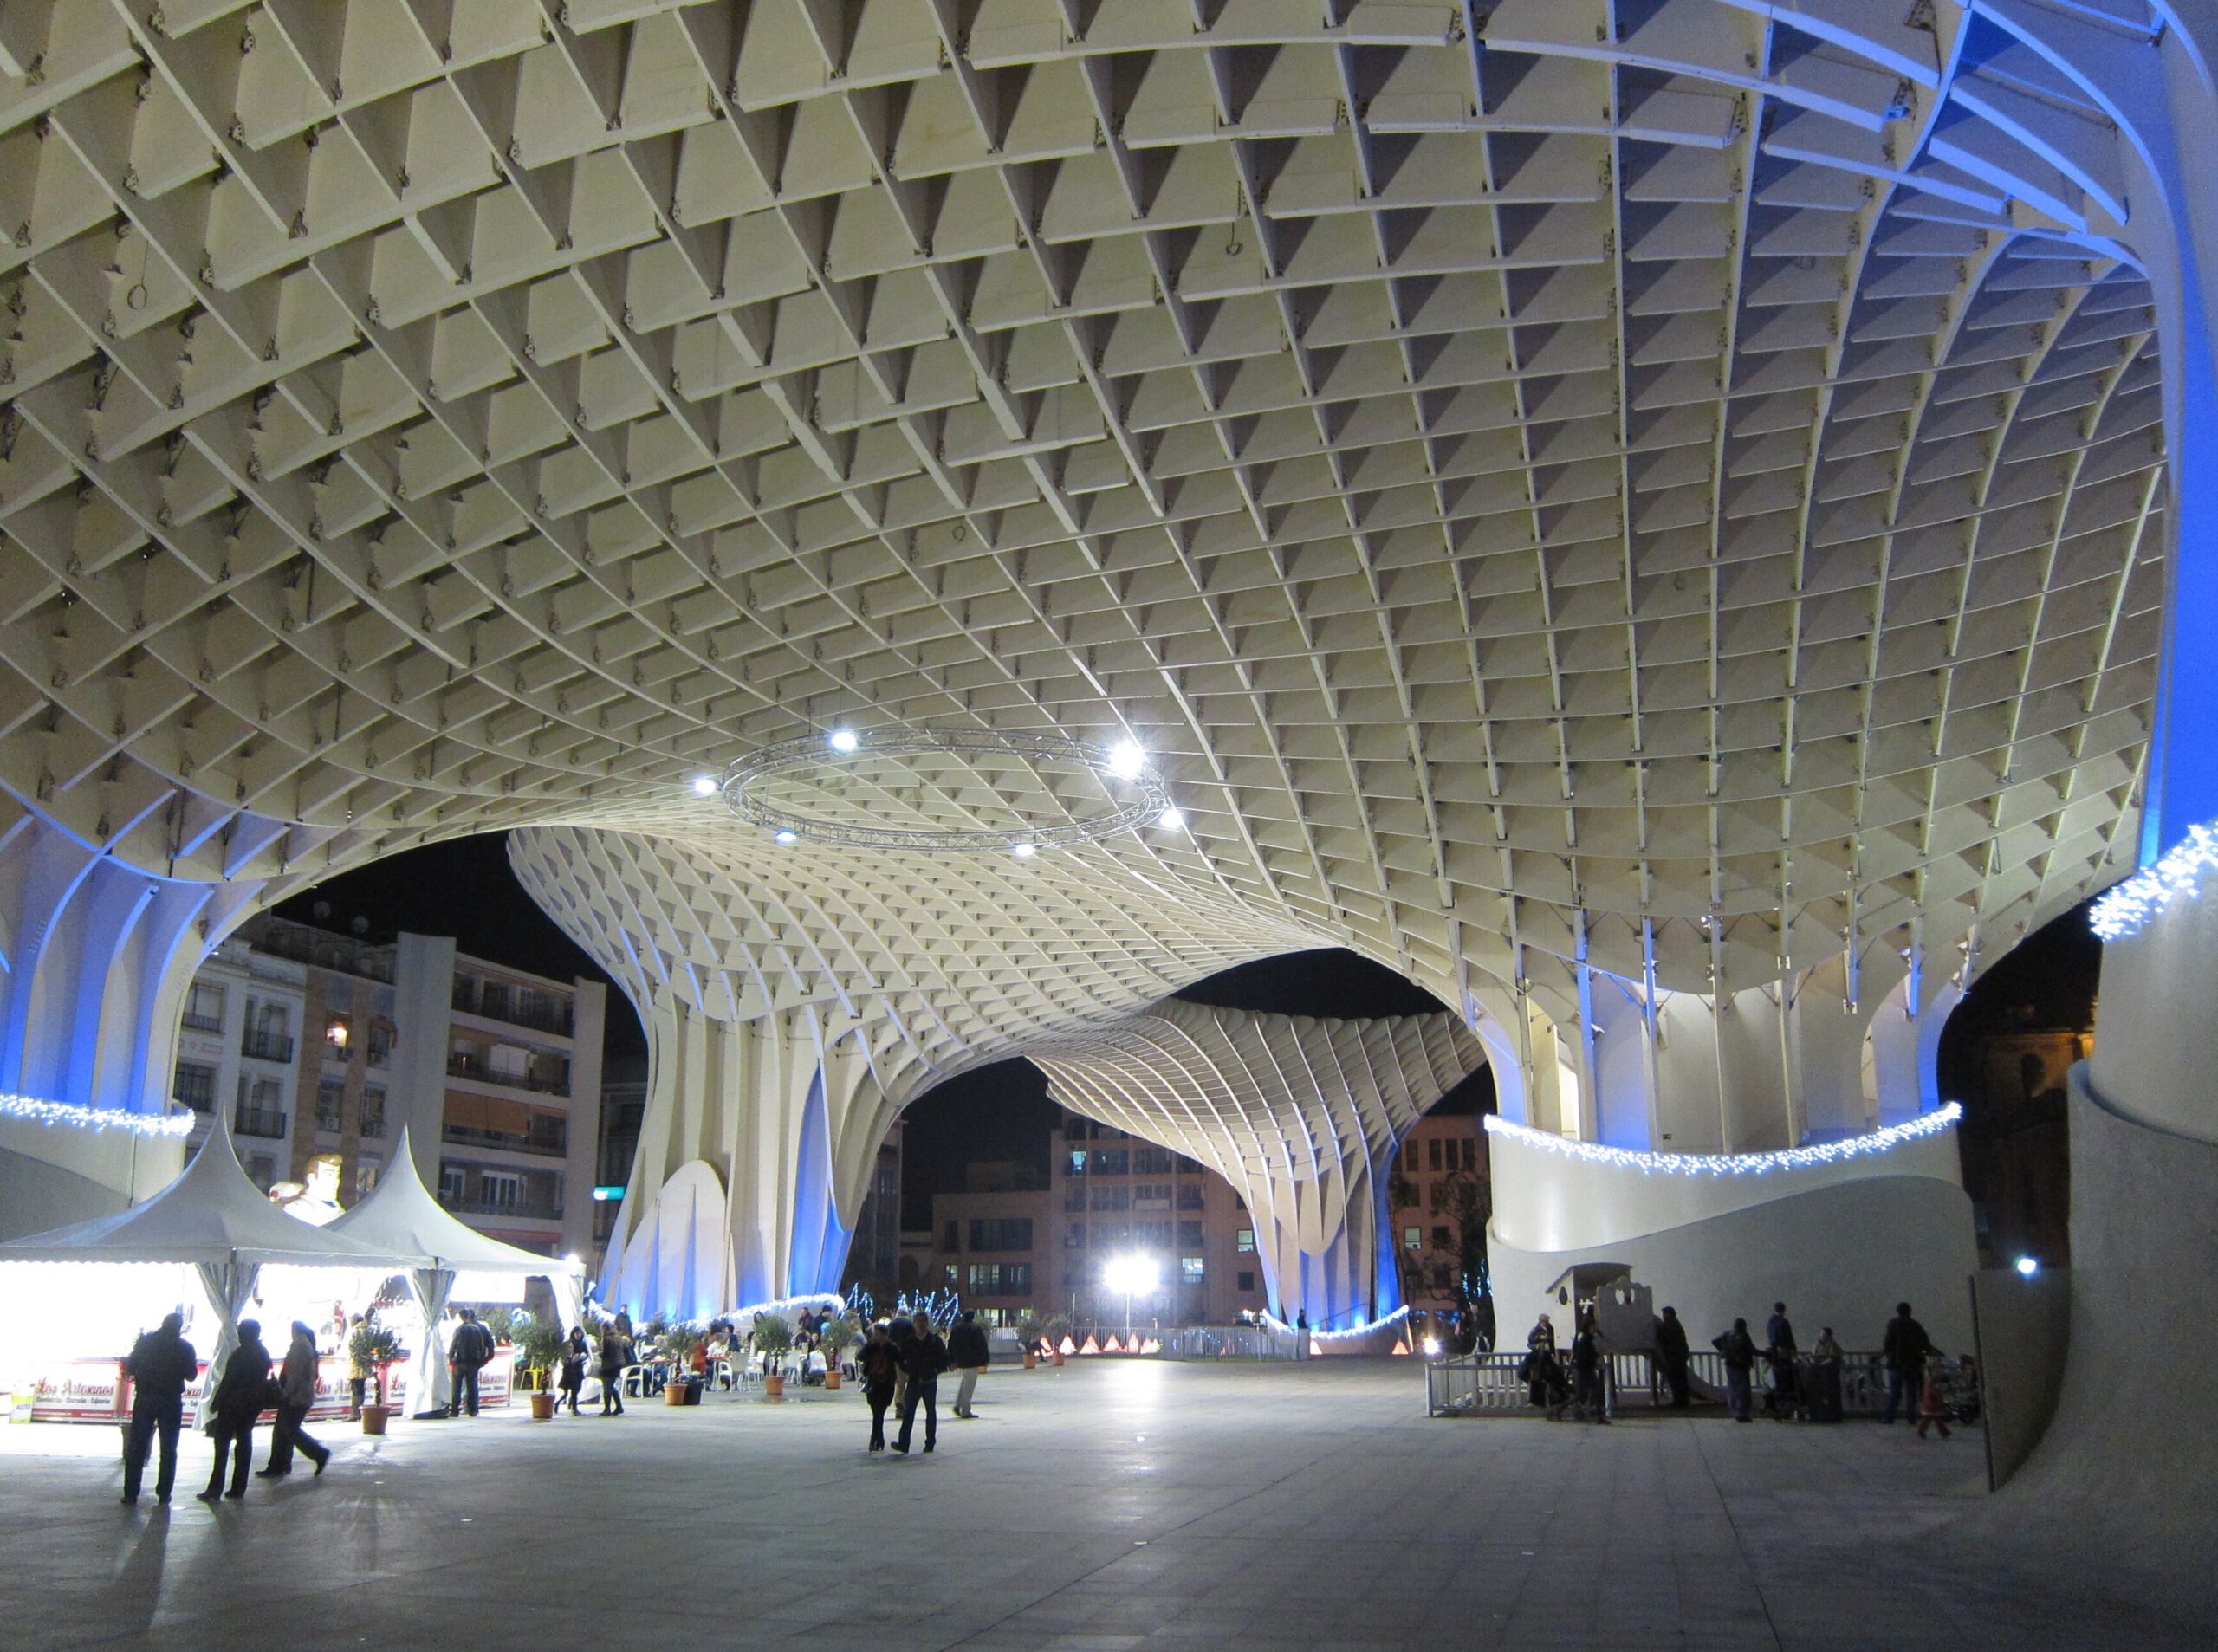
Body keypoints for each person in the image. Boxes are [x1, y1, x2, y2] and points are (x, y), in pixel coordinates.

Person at [121, 1312, 198, 1504]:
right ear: (179, 1327)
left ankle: (131, 1493)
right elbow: (191, 1375)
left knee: (137, 1445)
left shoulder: (146, 1342)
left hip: (146, 1397)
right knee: (169, 1448)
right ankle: (164, 1492)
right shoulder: (185, 1347)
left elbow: (131, 1367)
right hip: (171, 1400)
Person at [198, 1320, 272, 1501]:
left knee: (222, 1446)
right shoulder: (262, 1353)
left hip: (233, 1405)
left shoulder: (241, 1354)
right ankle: (239, 1487)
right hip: (252, 1405)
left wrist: (216, 1403)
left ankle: (215, 1488)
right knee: (244, 1444)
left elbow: (229, 1381)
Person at [260, 1320, 330, 1478]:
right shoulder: (306, 1346)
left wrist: (286, 1393)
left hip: (296, 1396)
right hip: (301, 1395)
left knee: (287, 1430)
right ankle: (281, 1464)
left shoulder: (299, 1347)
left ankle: (318, 1453)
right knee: (285, 1430)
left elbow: (295, 1374)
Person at [892, 1312, 947, 1454]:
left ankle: (930, 1443)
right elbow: (901, 1359)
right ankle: (903, 1443)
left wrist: (935, 1371)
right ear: (914, 1324)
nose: (921, 1325)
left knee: (930, 1413)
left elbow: (944, 1359)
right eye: (918, 1322)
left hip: (929, 1382)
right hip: (914, 1382)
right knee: (908, 1413)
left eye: (923, 1322)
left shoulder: (934, 1341)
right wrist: (908, 1370)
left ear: (927, 1324)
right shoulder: (909, 1341)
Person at [1881, 1302, 1933, 1424]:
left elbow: (1887, 1343)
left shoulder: (1893, 1324)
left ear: (1898, 1311)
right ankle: (1911, 1416)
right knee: (1911, 1391)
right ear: (1909, 1311)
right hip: (1912, 1363)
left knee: (1895, 1392)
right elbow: (1925, 1343)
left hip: (1895, 1363)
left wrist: (1889, 1355)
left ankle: (1889, 1416)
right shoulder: (1915, 1325)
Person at [859, 1323, 901, 1452]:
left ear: (885, 1335)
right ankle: (879, 1438)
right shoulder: (872, 1347)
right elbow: (860, 1356)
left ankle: (875, 1439)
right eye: (874, 1334)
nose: (875, 1337)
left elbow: (901, 1359)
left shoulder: (892, 1347)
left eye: (877, 1334)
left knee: (879, 1412)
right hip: (873, 1382)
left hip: (886, 1383)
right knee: (876, 1412)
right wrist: (869, 1344)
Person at [447, 1306, 495, 1418]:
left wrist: (451, 1359)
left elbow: (453, 1345)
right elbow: (486, 1346)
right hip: (473, 1362)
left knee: (457, 1387)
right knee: (472, 1386)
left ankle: (455, 1410)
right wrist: (484, 1359)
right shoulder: (479, 1329)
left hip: (459, 1362)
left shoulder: (459, 1329)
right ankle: (473, 1410)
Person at [947, 1310, 990, 1419]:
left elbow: (950, 1344)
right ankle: (965, 1410)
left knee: (964, 1383)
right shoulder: (975, 1328)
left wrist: (951, 1360)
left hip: (960, 1360)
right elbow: (982, 1345)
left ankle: (957, 1405)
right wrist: (985, 1359)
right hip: (972, 1361)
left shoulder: (956, 1328)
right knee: (969, 1386)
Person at [1521, 1315, 1566, 1417]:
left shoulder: (1550, 1329)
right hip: (1540, 1356)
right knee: (1539, 1378)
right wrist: (1539, 1339)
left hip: (1548, 1355)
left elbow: (1553, 1341)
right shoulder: (1536, 1330)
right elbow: (1530, 1340)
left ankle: (1553, 1400)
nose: (1546, 1322)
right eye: (1544, 1321)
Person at [1714, 1318, 1757, 1422]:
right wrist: (1767, 1354)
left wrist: (1724, 1351)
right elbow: (1753, 1350)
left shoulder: (1727, 1334)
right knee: (1743, 1390)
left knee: (1732, 1388)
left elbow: (1714, 1341)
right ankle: (1742, 1413)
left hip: (1729, 1365)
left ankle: (1734, 1409)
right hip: (1741, 1366)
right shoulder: (1744, 1337)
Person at [1570, 1310, 1609, 1424]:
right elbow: (1585, 1354)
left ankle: (1599, 1416)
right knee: (1583, 1393)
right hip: (1583, 1369)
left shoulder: (1585, 1337)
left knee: (1593, 1391)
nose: (1595, 1328)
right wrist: (1596, 1355)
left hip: (1586, 1368)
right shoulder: (1585, 1339)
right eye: (1593, 1326)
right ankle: (1561, 1408)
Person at [1763, 1301, 1800, 1420]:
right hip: (1784, 1353)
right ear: (1784, 1310)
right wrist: (1794, 1349)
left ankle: (1777, 1409)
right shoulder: (1783, 1322)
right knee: (1787, 1380)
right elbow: (1789, 1338)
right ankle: (1787, 1408)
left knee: (1776, 1380)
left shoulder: (1769, 1322)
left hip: (1773, 1355)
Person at [1653, 1306, 1691, 1409]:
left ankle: (1679, 1401)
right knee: (1681, 1379)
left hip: (1674, 1356)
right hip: (1679, 1355)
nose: (1663, 1316)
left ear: (1668, 1315)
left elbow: (1662, 1336)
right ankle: (1683, 1401)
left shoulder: (1669, 1325)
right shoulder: (1675, 1324)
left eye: (1664, 1314)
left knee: (1675, 1379)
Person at [596, 1322, 630, 1416]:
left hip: (608, 1366)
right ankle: (619, 1407)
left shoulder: (606, 1339)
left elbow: (605, 1353)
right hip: (617, 1365)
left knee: (607, 1388)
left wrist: (598, 1354)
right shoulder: (618, 1338)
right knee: (611, 1386)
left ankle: (607, 1409)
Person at [1916, 1361, 1954, 1439]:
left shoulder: (1930, 1384)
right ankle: (1944, 1432)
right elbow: (1933, 1395)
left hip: (1930, 1405)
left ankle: (1924, 1430)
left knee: (1930, 1420)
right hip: (1932, 1406)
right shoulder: (1933, 1386)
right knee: (1936, 1420)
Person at [343, 1313, 370, 1419]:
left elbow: (351, 1347)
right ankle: (359, 1413)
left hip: (356, 1363)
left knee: (355, 1388)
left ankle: (355, 1414)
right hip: (364, 1364)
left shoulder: (355, 1331)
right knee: (361, 1388)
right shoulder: (366, 1330)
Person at [558, 1325, 589, 1416]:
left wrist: (584, 1356)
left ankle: (571, 1402)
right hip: (571, 1370)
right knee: (574, 1390)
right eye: (577, 1333)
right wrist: (571, 1360)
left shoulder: (583, 1343)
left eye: (580, 1333)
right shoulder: (569, 1343)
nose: (578, 1335)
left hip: (579, 1368)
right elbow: (564, 1356)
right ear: (573, 1334)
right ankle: (574, 1408)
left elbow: (586, 1353)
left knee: (578, 1388)